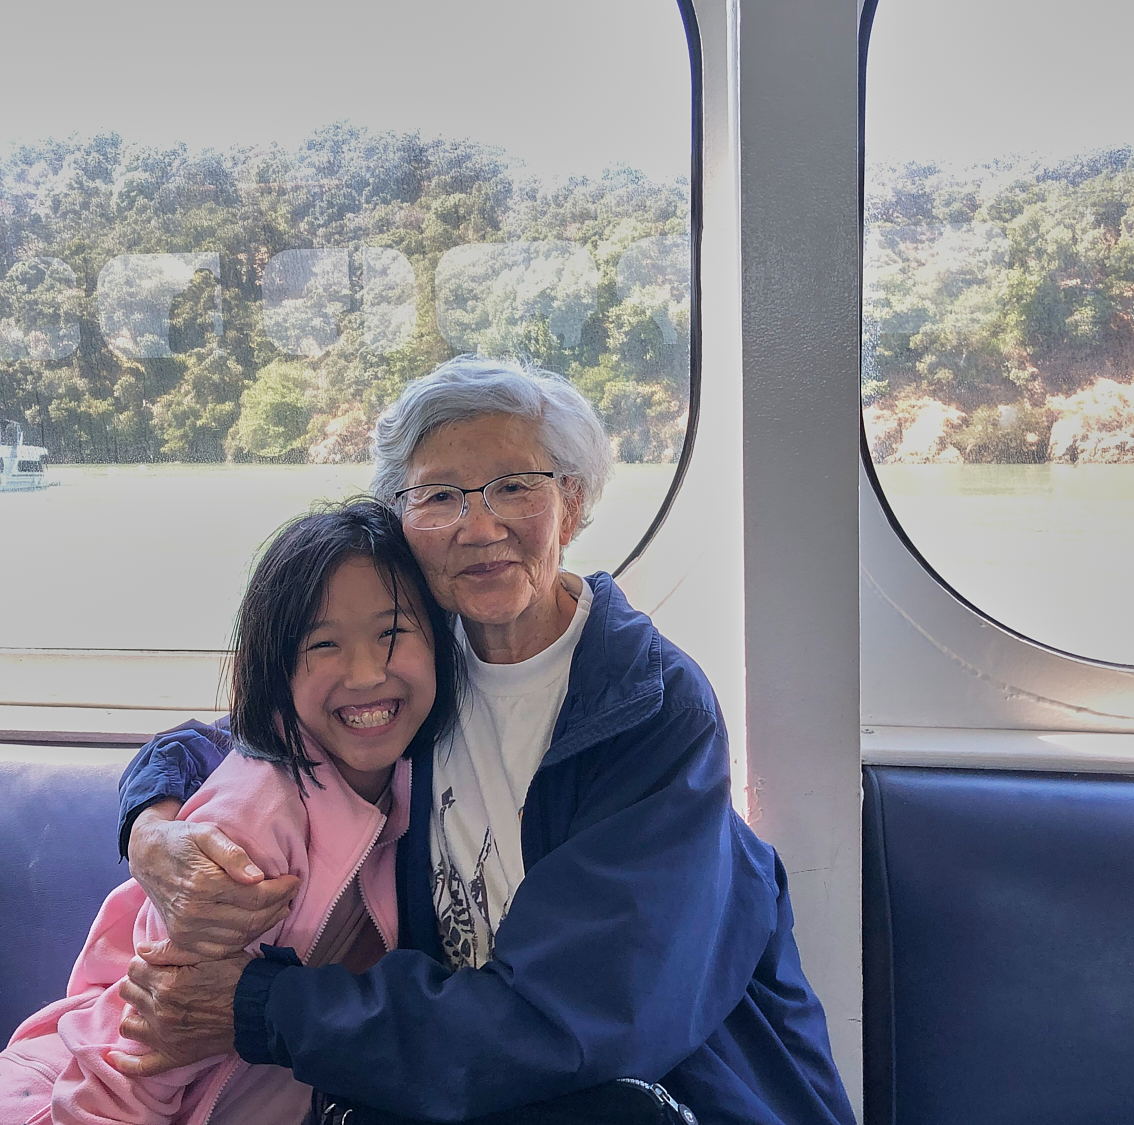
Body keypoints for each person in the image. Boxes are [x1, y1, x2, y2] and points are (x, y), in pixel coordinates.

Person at [112, 357, 858, 1125]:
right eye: (440, 496)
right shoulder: (410, 666)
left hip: (662, 1088)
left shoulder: (648, 706)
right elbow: (238, 735)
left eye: (516, 486)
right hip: (470, 1083)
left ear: (571, 503)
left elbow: (566, 1025)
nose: (479, 526)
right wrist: (150, 829)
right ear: (403, 520)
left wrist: (264, 1006)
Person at [0, 500, 460, 1125]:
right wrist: (150, 828)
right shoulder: (247, 832)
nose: (366, 673)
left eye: (391, 633)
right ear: (276, 670)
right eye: (323, 643)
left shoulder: (421, 775)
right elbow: (135, 1054)